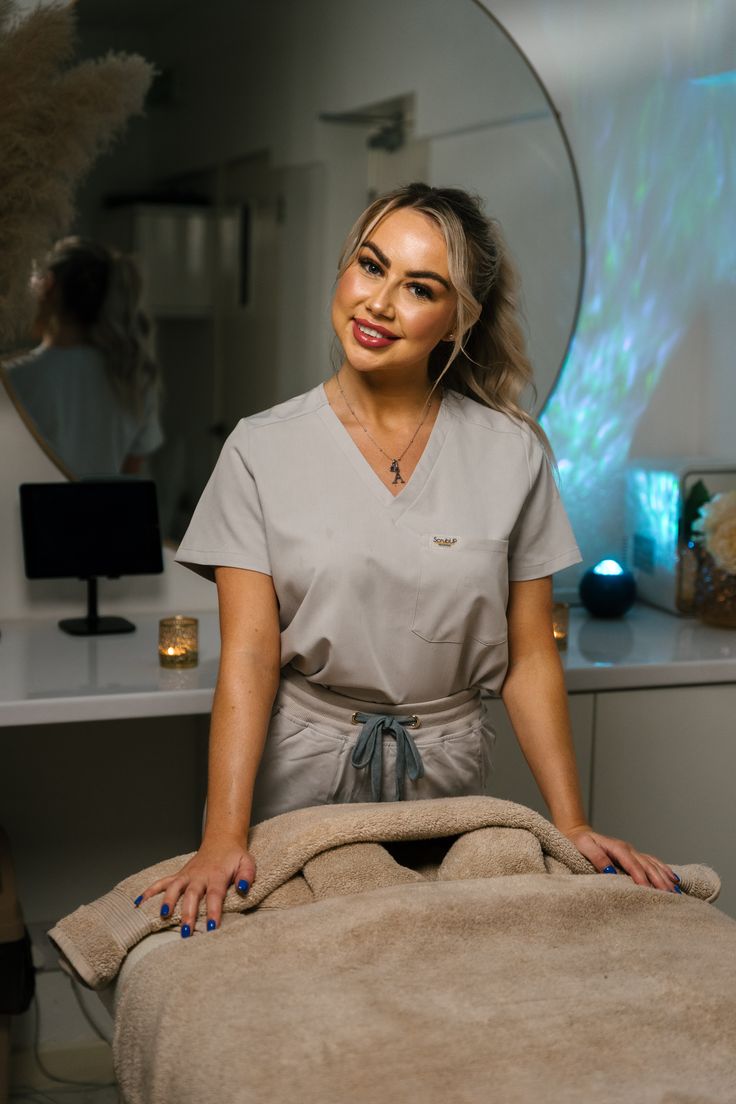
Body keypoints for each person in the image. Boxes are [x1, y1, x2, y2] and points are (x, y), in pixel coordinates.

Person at [134, 182, 680, 937]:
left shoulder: (511, 453)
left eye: (419, 288)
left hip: (450, 773)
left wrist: (572, 825)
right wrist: (222, 837)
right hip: (302, 771)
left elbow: (527, 661)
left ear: (458, 319)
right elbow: (251, 657)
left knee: (441, 986)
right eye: (369, 266)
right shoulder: (261, 449)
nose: (378, 303)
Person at [3, 236, 163, 476]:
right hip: (107, 513)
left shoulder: (13, 381)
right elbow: (129, 480)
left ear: (49, 287)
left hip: (30, 513)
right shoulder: (131, 379)